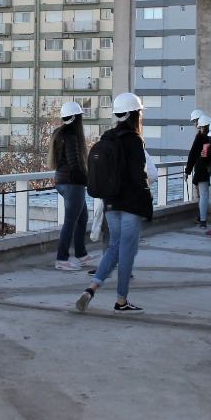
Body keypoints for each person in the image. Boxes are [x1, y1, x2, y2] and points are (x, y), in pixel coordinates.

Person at [75, 93, 153, 313]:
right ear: (135, 114)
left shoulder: (107, 137)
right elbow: (140, 176)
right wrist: (148, 204)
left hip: (110, 202)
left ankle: (91, 288)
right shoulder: (134, 140)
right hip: (131, 204)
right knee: (127, 251)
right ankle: (121, 301)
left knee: (113, 247)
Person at [50, 101, 96, 271]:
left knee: (82, 219)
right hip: (72, 184)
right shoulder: (71, 136)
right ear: (77, 118)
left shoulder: (59, 133)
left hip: (62, 182)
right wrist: (88, 181)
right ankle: (62, 259)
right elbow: (75, 165)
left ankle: (81, 255)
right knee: (70, 222)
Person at [184, 114, 211, 231]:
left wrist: (187, 171)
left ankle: (202, 221)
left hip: (202, 170)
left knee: (203, 195)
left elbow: (192, 154)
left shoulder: (200, 137)